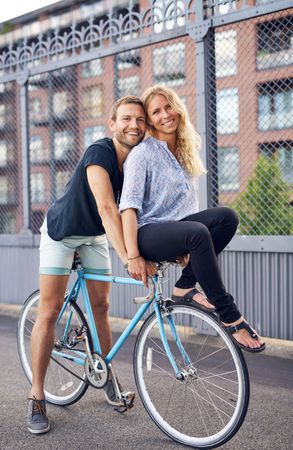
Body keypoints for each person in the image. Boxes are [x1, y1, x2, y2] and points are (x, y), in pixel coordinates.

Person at [27, 95, 154, 435]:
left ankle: (106, 373)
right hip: (64, 232)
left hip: (95, 237)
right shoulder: (100, 153)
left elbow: (140, 211)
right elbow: (108, 208)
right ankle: (37, 396)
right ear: (112, 124)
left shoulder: (141, 158)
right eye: (126, 118)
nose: (134, 125)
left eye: (140, 120)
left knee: (101, 305)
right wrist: (130, 257)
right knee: (50, 310)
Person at [119, 85, 266, 355]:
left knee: (226, 217)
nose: (165, 115)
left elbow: (189, 205)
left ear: (178, 108)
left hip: (177, 229)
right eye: (156, 112)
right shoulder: (143, 154)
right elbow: (128, 208)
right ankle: (230, 314)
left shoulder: (186, 150)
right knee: (198, 233)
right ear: (150, 120)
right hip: (146, 232)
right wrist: (133, 256)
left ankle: (185, 285)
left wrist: (187, 240)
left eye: (168, 106)